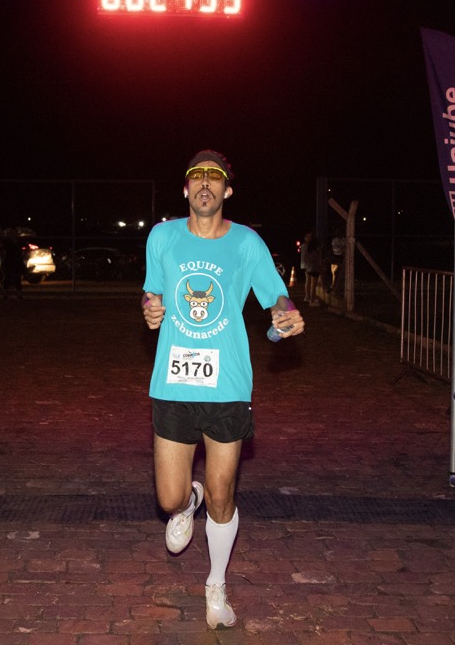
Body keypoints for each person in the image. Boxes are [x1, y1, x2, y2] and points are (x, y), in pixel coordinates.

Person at [140, 149, 305, 630]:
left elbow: (276, 295)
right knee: (169, 499)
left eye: (215, 177)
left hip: (227, 383)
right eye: (197, 176)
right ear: (186, 188)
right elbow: (151, 290)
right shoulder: (162, 237)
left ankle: (216, 586)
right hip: (173, 381)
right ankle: (185, 505)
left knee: (221, 493)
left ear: (227, 190)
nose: (205, 184)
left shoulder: (247, 243)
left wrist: (286, 315)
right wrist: (149, 307)